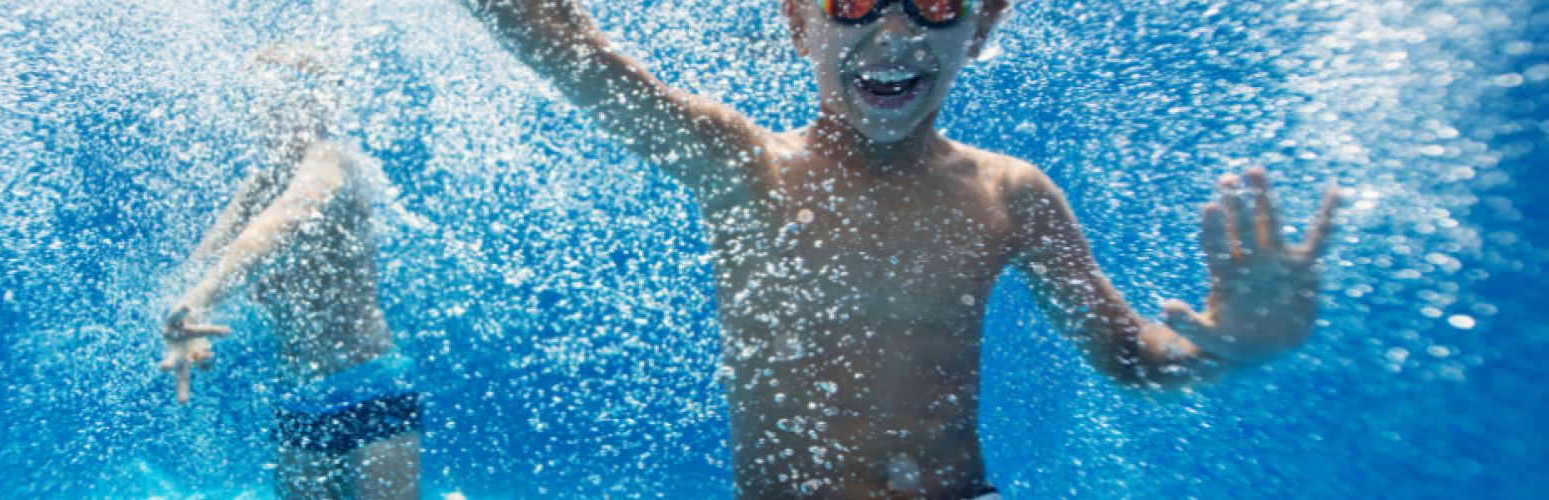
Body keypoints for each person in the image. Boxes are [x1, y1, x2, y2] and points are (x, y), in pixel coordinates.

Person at [455, 1, 1340, 498]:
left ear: (982, 29)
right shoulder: (740, 167)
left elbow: (1130, 357)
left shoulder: (1010, 196)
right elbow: (571, 54)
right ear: (800, 22)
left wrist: (1230, 349)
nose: (896, 34)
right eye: (852, 3)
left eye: (939, 5)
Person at [158, 47, 421, 500]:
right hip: (298, 397)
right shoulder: (260, 183)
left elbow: (277, 225)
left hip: (367, 385)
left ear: (320, 108)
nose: (263, 115)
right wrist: (181, 313)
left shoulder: (331, 159)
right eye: (257, 103)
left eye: (279, 100)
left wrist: (202, 299)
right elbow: (201, 265)